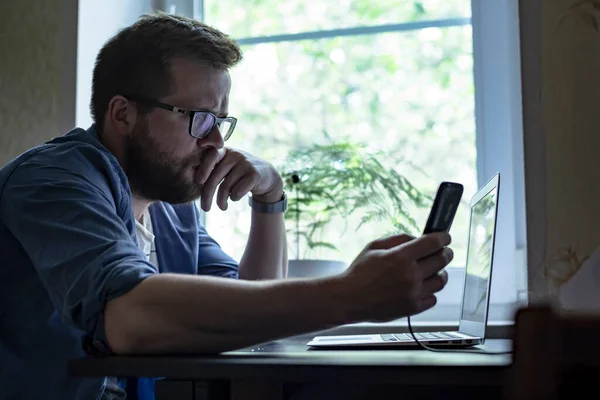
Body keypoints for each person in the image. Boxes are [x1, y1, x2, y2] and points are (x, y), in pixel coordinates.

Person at [0, 12, 452, 400]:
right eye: (200, 119)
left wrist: (270, 195)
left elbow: (251, 315)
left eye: (221, 122)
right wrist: (352, 294)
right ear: (122, 114)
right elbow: (129, 317)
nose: (216, 141)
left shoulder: (171, 209)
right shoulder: (55, 181)